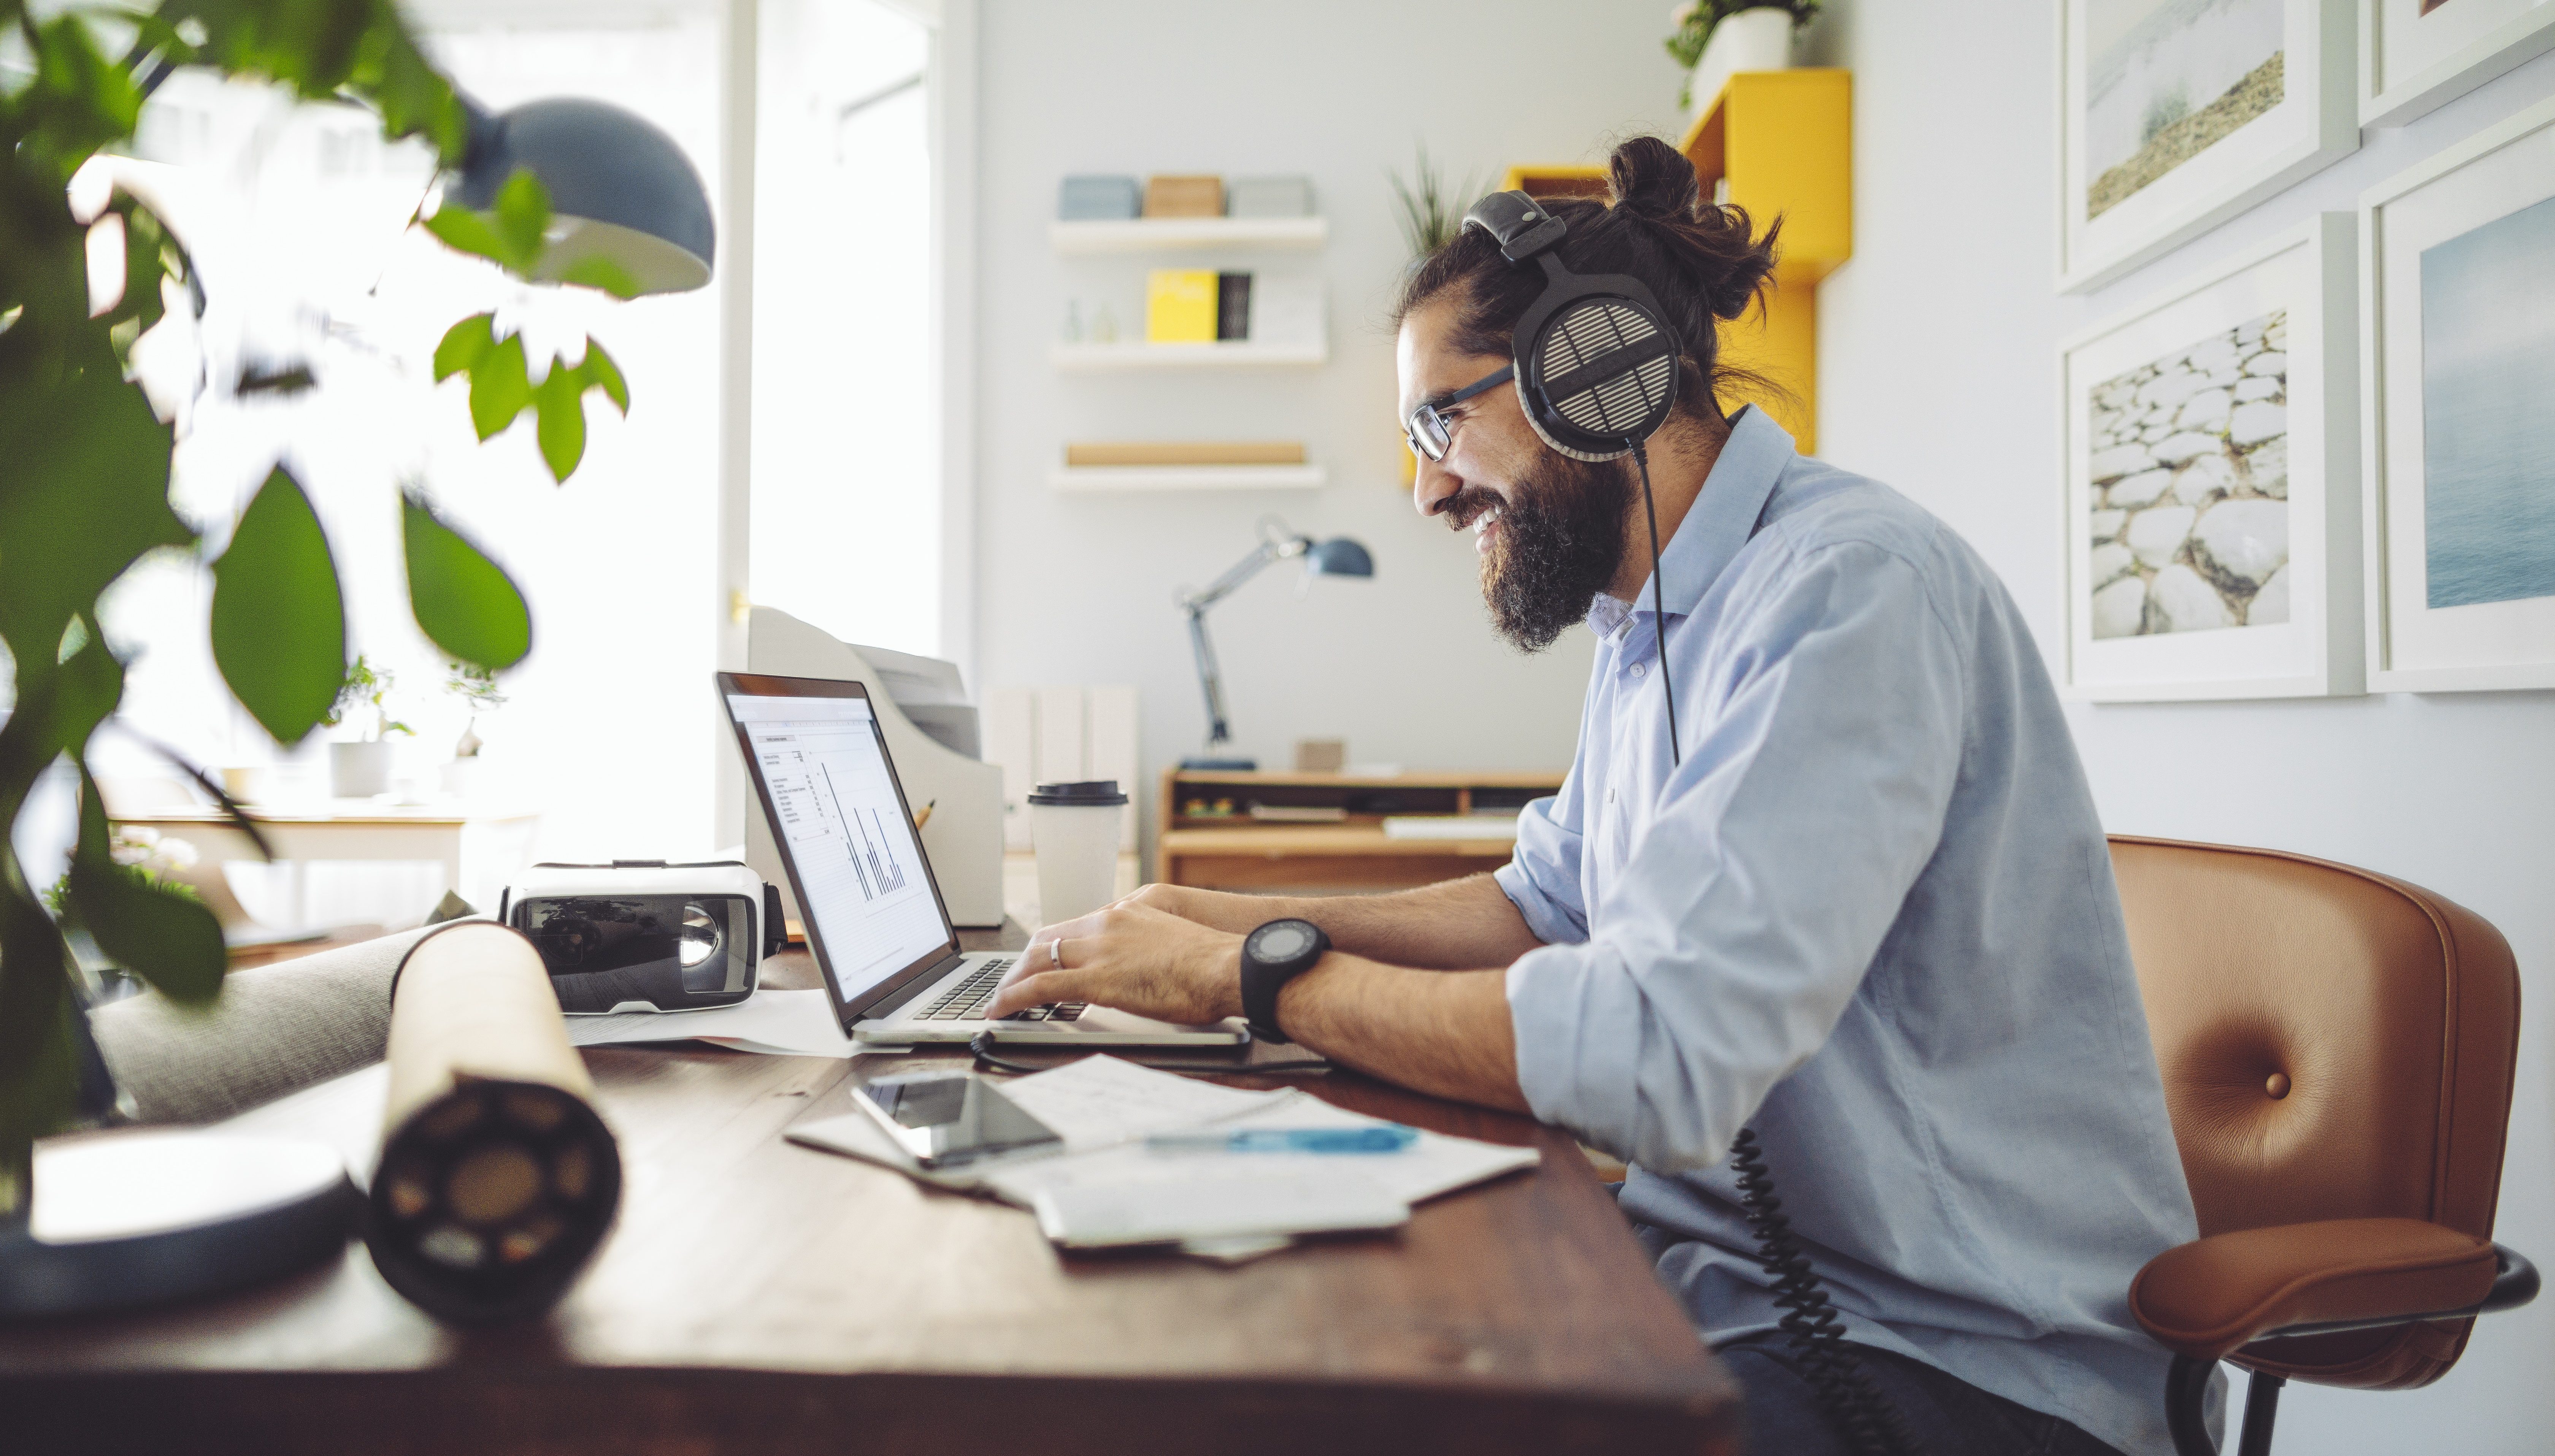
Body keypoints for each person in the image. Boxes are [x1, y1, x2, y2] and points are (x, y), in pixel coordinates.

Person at [987, 136, 2200, 1456]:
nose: (1426, 488)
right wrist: (1201, 917)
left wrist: (1252, 978)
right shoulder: (1649, 621)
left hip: (1954, 1363)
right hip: (1720, 1295)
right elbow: (1543, 905)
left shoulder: (1849, 591)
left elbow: (1654, 1059)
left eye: (1439, 420)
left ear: (1595, 372)